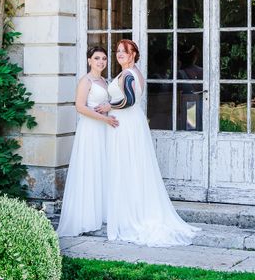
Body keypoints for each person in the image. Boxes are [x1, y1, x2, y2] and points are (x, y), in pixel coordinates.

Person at [96, 39, 200, 246]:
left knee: (128, 165)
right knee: (130, 166)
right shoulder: (130, 72)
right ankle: (127, 208)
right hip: (129, 122)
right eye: (117, 51)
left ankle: (133, 213)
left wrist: (109, 105)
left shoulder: (128, 74)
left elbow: (129, 100)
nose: (119, 55)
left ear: (133, 54)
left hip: (126, 123)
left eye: (123, 52)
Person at [57, 46, 119, 237]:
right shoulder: (86, 81)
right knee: (89, 168)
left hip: (102, 128)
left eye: (104, 59)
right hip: (91, 128)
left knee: (100, 168)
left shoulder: (102, 80)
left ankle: (99, 213)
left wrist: (108, 113)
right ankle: (85, 217)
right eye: (97, 58)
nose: (101, 62)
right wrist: (105, 118)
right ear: (89, 60)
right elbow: (80, 107)